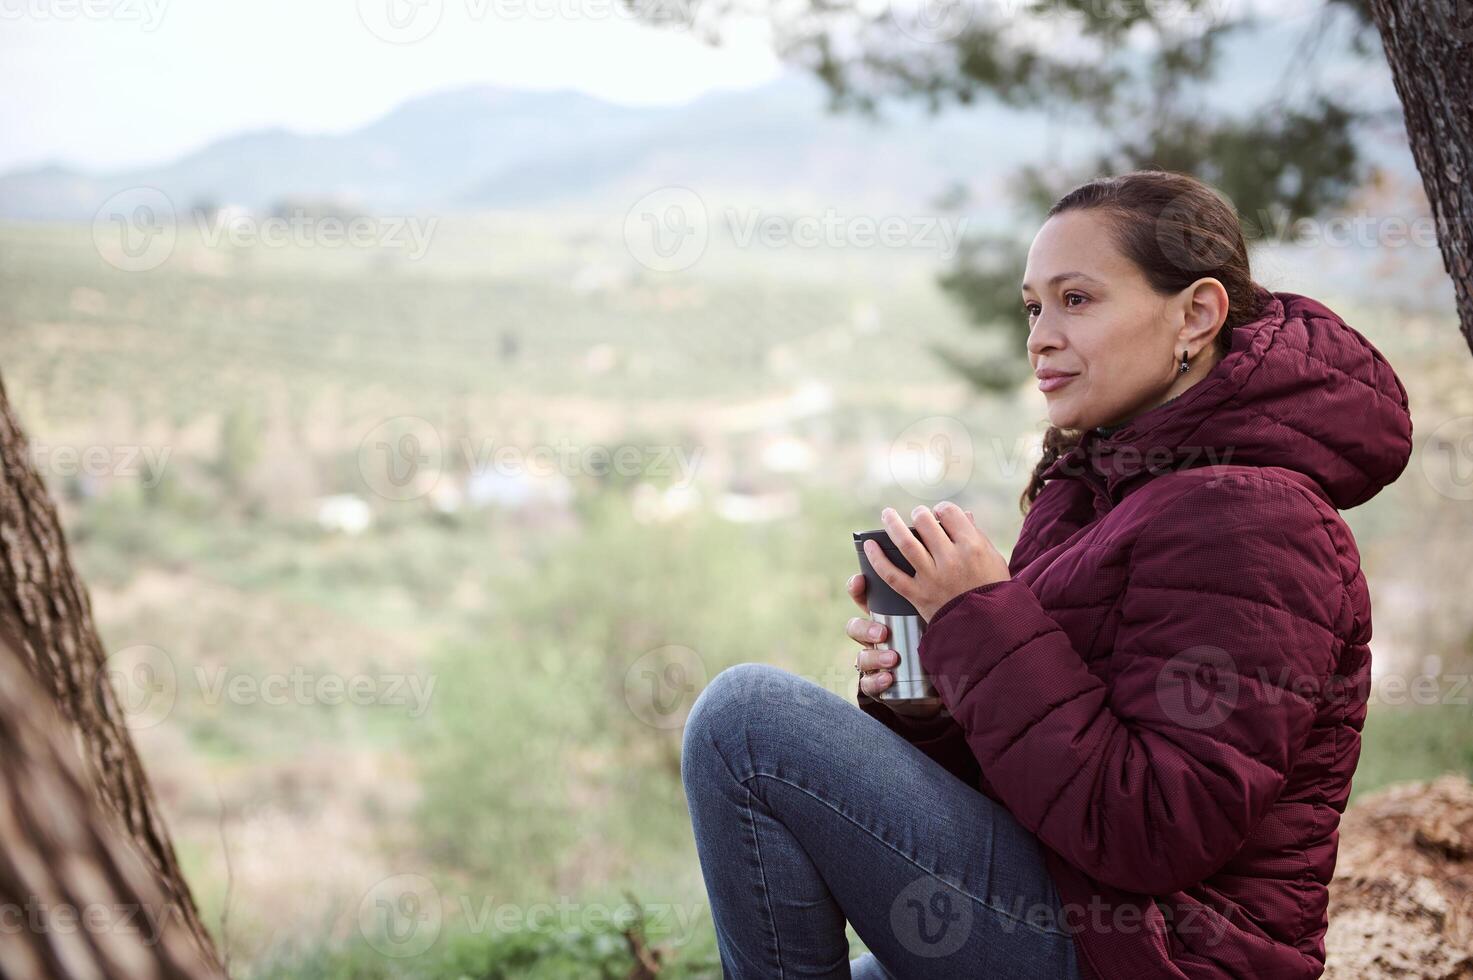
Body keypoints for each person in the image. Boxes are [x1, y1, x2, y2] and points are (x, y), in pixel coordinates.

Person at [679, 169, 1414, 978]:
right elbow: (1046, 777)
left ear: (1195, 316)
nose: (1038, 337)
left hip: (1158, 952)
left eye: (1076, 300)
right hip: (1081, 918)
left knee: (747, 723)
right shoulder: (1096, 492)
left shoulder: (1256, 521)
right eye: (1032, 307)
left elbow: (1154, 832)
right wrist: (932, 693)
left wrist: (982, 621)